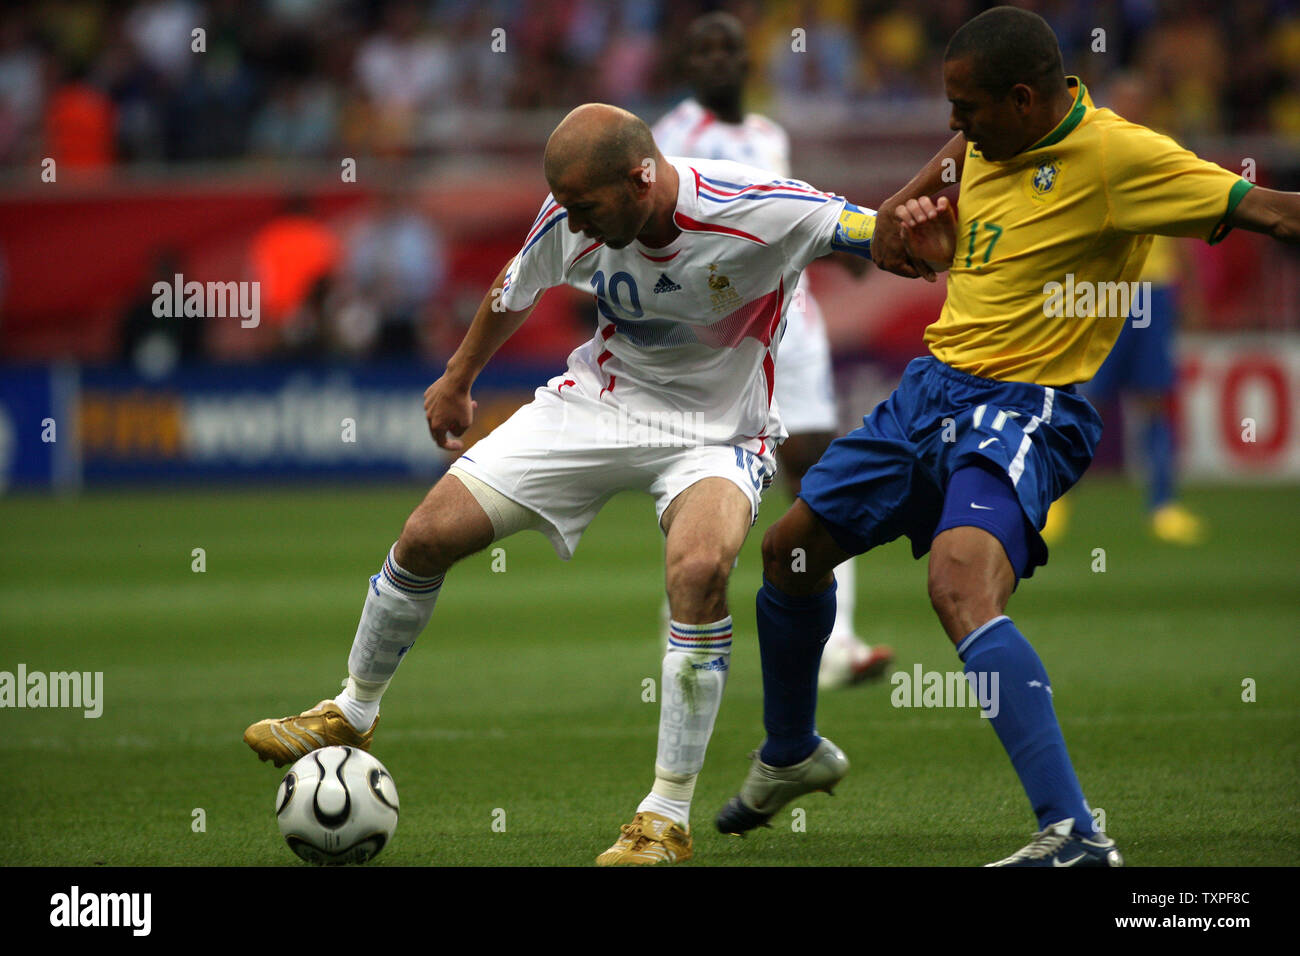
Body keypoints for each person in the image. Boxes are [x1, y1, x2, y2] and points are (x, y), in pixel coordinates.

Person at [714, 5, 1299, 866]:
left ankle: (1074, 834)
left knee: (957, 587)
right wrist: (924, 240)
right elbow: (902, 223)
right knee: (789, 553)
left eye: (968, 109)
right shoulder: (985, 144)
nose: (954, 127)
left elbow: (1278, 213)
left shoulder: (1117, 156)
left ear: (1025, 99)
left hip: (1026, 405)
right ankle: (792, 753)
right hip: (929, 391)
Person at [244, 103, 881, 865]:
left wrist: (920, 235)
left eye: (584, 204)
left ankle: (663, 818)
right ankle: (352, 708)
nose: (571, 219)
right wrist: (457, 379)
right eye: (565, 204)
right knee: (424, 537)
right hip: (598, 405)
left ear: (641, 178)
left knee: (701, 571)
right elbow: (513, 290)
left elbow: (871, 230)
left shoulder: (758, 208)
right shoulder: (571, 217)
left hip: (719, 433)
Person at [652, 11, 892, 690]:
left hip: (797, 326)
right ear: (688, 64)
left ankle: (837, 646)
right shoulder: (669, 140)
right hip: (721, 337)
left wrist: (842, 247)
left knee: (819, 476)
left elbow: (788, 212)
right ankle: (686, 638)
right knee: (705, 482)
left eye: (730, 47)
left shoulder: (767, 134)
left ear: (746, 61)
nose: (718, 60)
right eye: (704, 49)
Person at [1043, 75, 1208, 547]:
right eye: (1126, 101)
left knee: (1153, 399)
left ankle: (1163, 505)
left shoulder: (1160, 151)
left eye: (1140, 100)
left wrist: (1191, 294)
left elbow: (1187, 225)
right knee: (1083, 397)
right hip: (1105, 292)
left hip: (1154, 292)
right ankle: (1055, 500)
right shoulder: (1092, 152)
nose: (1132, 108)